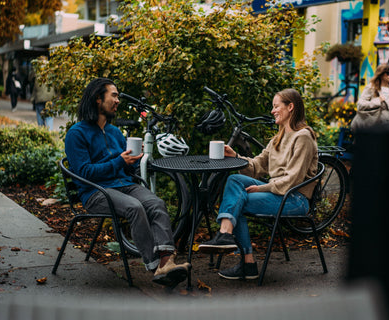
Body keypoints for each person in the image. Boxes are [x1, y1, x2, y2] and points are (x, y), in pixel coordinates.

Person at [65, 78, 190, 287]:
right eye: (113, 95)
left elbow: (126, 167)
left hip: (123, 185)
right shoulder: (76, 133)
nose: (117, 100)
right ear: (98, 99)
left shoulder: (114, 132)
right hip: (96, 192)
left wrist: (136, 161)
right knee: (135, 208)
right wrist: (119, 161)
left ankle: (166, 262)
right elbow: (85, 173)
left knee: (156, 204)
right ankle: (154, 265)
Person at [198, 88, 318, 280]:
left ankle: (247, 263)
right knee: (234, 180)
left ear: (290, 107)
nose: (272, 111)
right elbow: (257, 166)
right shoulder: (278, 138)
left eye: (276, 106)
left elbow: (292, 179)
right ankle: (226, 235)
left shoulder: (302, 137)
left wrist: (262, 188)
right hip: (278, 193)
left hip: (295, 198)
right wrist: (235, 156)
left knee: (240, 202)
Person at [350, 64, 389, 131]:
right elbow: (360, 105)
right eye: (388, 73)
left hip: (386, 129)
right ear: (381, 74)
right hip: (373, 128)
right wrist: (377, 101)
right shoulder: (371, 87)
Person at [30, 56, 55, 130]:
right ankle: (50, 134)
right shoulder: (51, 72)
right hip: (50, 99)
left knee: (40, 119)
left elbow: (30, 79)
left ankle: (42, 134)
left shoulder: (36, 73)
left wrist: (32, 98)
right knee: (49, 118)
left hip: (39, 99)